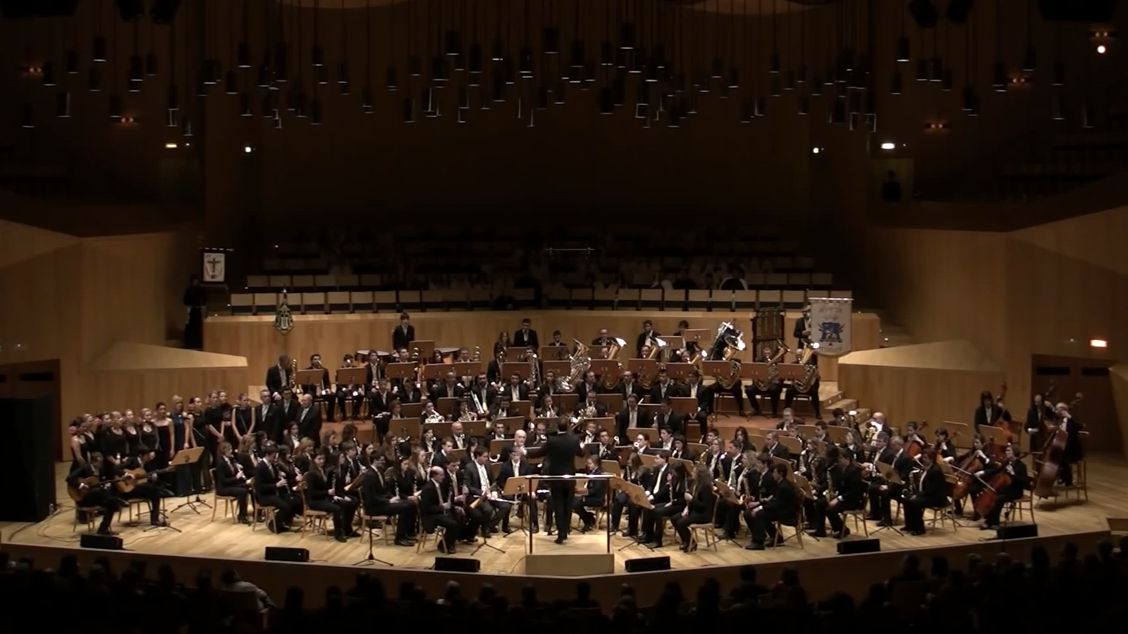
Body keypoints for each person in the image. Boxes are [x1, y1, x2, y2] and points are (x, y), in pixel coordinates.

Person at [526, 417, 584, 544]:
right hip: (570, 476)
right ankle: (566, 530)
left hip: (556, 477)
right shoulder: (574, 439)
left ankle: (560, 534)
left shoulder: (552, 441)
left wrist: (525, 453)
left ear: (557, 427)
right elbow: (581, 453)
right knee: (568, 505)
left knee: (558, 504)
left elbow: (539, 453)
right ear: (568, 426)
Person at [361, 454, 417, 546]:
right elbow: (371, 497)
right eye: (381, 460)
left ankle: (407, 533)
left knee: (411, 504)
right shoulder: (369, 475)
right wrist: (388, 501)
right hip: (374, 507)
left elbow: (384, 491)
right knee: (404, 507)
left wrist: (392, 497)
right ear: (375, 460)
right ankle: (399, 538)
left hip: (382, 502)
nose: (383, 462)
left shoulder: (379, 472)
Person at [809, 446, 864, 538]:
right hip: (843, 496)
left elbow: (854, 491)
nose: (839, 460)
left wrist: (838, 499)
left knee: (830, 509)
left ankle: (843, 529)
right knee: (819, 503)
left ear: (847, 459)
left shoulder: (854, 471)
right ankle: (820, 530)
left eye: (841, 458)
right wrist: (832, 493)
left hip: (853, 500)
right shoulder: (842, 468)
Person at [66, 452, 124, 535]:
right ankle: (118, 500)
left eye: (101, 462)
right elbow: (69, 478)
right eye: (99, 462)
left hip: (97, 497)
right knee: (100, 493)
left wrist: (106, 486)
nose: (101, 464)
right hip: (83, 498)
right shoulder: (84, 468)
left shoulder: (101, 470)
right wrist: (81, 484)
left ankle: (103, 529)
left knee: (111, 505)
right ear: (93, 462)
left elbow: (102, 482)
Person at [305, 449, 356, 542]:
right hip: (315, 501)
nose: (322, 461)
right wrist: (327, 493)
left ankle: (346, 528)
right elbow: (312, 493)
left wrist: (333, 495)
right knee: (336, 508)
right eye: (319, 459)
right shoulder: (311, 474)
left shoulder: (323, 470)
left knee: (348, 504)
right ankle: (338, 534)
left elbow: (327, 486)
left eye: (323, 459)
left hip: (323, 498)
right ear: (314, 460)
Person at [744, 464, 799, 550]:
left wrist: (760, 507)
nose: (773, 474)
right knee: (748, 513)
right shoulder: (780, 483)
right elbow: (773, 499)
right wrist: (759, 504)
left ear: (780, 474)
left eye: (774, 472)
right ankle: (772, 537)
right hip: (780, 508)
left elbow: (776, 504)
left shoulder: (784, 487)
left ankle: (759, 542)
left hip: (787, 512)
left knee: (760, 514)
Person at [978, 444, 1028, 529]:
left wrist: (1013, 474)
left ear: (1014, 452)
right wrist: (983, 472)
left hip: (1015, 491)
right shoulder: (1007, 463)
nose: (1006, 452)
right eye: (1006, 450)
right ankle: (990, 521)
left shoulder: (1021, 466)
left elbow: (1024, 482)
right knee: (994, 496)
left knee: (999, 499)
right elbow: (996, 470)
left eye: (1008, 451)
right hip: (1004, 489)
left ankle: (994, 522)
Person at [419, 466, 464, 554]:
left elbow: (444, 500)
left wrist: (454, 507)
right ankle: (444, 545)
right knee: (453, 524)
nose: (443, 477)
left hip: (440, 512)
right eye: (441, 475)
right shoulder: (427, 489)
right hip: (431, 516)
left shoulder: (439, 485)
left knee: (460, 516)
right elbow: (426, 508)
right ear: (434, 476)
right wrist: (442, 507)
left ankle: (451, 541)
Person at [902, 449, 947, 536]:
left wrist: (917, 495)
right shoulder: (926, 467)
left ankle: (919, 528)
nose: (923, 459)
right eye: (923, 457)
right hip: (928, 494)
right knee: (906, 500)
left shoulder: (935, 470)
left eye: (926, 458)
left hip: (936, 497)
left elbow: (932, 489)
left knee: (915, 502)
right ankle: (909, 525)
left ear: (932, 459)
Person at [254, 443, 296, 532]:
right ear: (268, 455)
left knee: (292, 502)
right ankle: (273, 524)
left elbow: (275, 478)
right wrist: (276, 485)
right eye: (274, 456)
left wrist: (280, 479)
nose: (275, 458)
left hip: (273, 493)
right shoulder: (260, 467)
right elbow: (259, 487)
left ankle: (282, 523)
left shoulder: (272, 465)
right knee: (285, 507)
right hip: (264, 496)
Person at [674, 465, 717, 552]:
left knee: (681, 523)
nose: (692, 473)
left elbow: (703, 506)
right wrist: (687, 508)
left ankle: (691, 542)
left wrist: (691, 499)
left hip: (703, 515)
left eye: (694, 472)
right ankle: (687, 540)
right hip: (695, 511)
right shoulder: (695, 483)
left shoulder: (706, 488)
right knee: (674, 518)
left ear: (700, 475)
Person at [215, 441, 250, 523]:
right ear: (224, 451)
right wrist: (237, 477)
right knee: (242, 491)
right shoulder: (220, 463)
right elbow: (224, 481)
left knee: (247, 486)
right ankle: (242, 516)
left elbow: (232, 472)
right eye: (229, 449)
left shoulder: (229, 459)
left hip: (230, 484)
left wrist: (237, 468)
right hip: (223, 488)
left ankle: (243, 512)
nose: (231, 451)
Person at [573, 455, 607, 532]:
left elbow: (595, 490)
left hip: (597, 498)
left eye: (590, 463)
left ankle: (588, 521)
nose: (588, 465)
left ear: (595, 464)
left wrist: (582, 491)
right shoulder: (593, 471)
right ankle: (589, 518)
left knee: (576, 504)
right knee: (573, 501)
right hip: (591, 496)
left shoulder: (599, 474)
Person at [182, 275, 207, 350]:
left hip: (198, 309)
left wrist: (202, 305)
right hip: (192, 309)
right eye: (193, 280)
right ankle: (191, 343)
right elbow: (185, 299)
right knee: (191, 324)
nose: (194, 282)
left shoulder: (200, 289)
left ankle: (197, 343)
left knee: (197, 325)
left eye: (195, 280)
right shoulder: (189, 289)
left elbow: (204, 299)